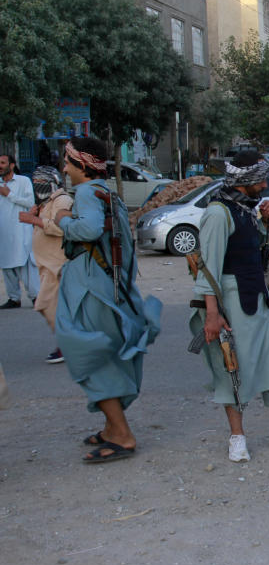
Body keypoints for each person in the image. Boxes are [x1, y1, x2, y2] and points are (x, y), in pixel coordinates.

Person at [190, 150, 269, 462]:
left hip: (257, 299)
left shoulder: (244, 209)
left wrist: (267, 223)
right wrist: (213, 315)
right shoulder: (219, 212)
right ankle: (237, 437)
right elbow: (209, 267)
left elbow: (256, 255)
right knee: (232, 369)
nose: (265, 184)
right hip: (230, 302)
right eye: (261, 178)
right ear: (247, 181)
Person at [55, 138, 161, 463]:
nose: (64, 168)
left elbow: (87, 230)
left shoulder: (87, 192)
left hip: (91, 291)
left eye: (68, 163)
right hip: (107, 289)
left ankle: (122, 434)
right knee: (104, 352)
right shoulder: (107, 192)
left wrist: (61, 219)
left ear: (83, 166)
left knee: (89, 354)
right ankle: (110, 429)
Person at [18, 166, 72, 363]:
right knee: (54, 307)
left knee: (46, 305)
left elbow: (62, 228)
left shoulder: (62, 201)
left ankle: (68, 346)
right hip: (47, 265)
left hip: (57, 263)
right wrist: (36, 216)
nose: (36, 187)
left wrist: (34, 219)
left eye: (39, 183)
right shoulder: (46, 202)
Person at [0, 153, 37, 309]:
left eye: (2, 162)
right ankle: (14, 298)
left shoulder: (23, 181)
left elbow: (30, 202)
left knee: (25, 265)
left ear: (12, 165)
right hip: (3, 232)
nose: (0, 165)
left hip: (20, 230)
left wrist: (9, 195)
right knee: (7, 265)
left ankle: (36, 297)